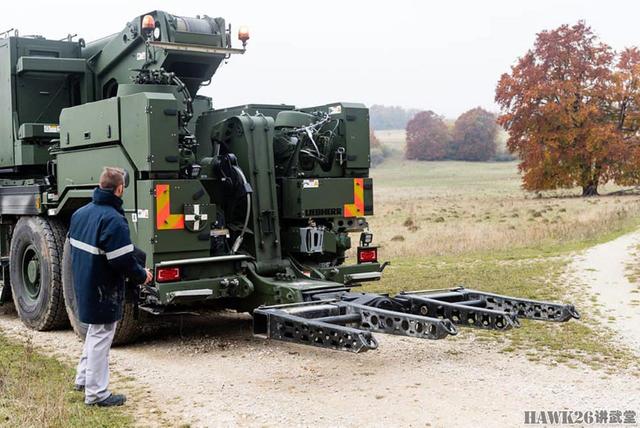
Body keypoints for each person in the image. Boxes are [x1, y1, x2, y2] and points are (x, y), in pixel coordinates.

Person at [69, 167, 153, 407]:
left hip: (85, 282)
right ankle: (96, 395)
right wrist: (142, 276)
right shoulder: (113, 219)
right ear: (120, 189)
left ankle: (83, 379)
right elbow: (122, 260)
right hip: (103, 288)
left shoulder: (80, 213)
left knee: (94, 333)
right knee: (101, 337)